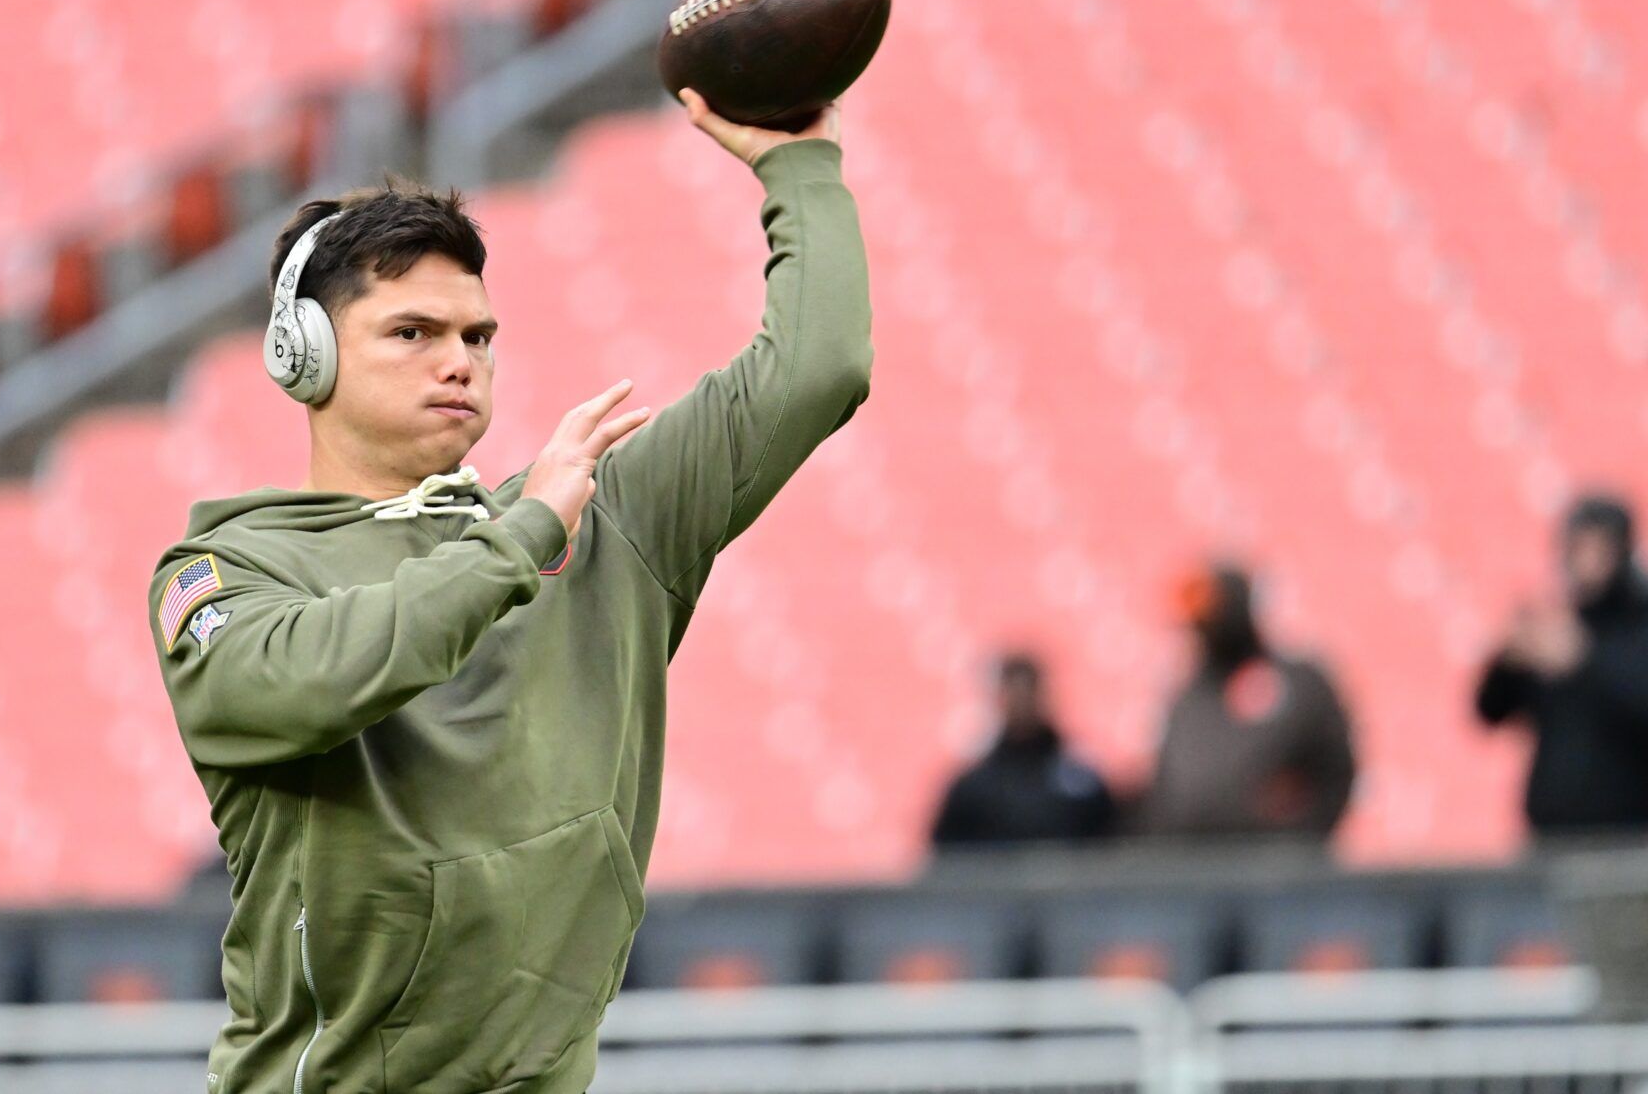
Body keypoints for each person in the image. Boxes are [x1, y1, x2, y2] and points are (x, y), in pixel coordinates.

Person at [145, 90, 871, 1094]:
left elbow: (816, 369)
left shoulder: (590, 518)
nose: (460, 362)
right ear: (301, 354)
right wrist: (521, 536)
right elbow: (304, 683)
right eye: (413, 332)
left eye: (478, 337)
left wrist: (800, 169)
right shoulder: (222, 572)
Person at [1476, 493, 1648, 833]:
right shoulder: (1560, 622)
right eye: (1576, 548)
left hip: (1627, 837)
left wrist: (1585, 662)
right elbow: (1490, 711)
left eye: (1597, 549)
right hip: (1552, 833)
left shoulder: (1637, 626)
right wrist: (1510, 659)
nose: (1584, 562)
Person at [1149, 565, 1355, 838]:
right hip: (1196, 868)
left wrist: (1300, 841)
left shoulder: (1297, 685)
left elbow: (1336, 773)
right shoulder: (1187, 698)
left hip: (1279, 868)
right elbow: (1169, 790)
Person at [930, 652, 1115, 848]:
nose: (1021, 703)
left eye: (1027, 692)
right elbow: (947, 859)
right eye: (1014, 693)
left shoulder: (1082, 783)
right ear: (1000, 699)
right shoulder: (973, 788)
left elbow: (1109, 847)